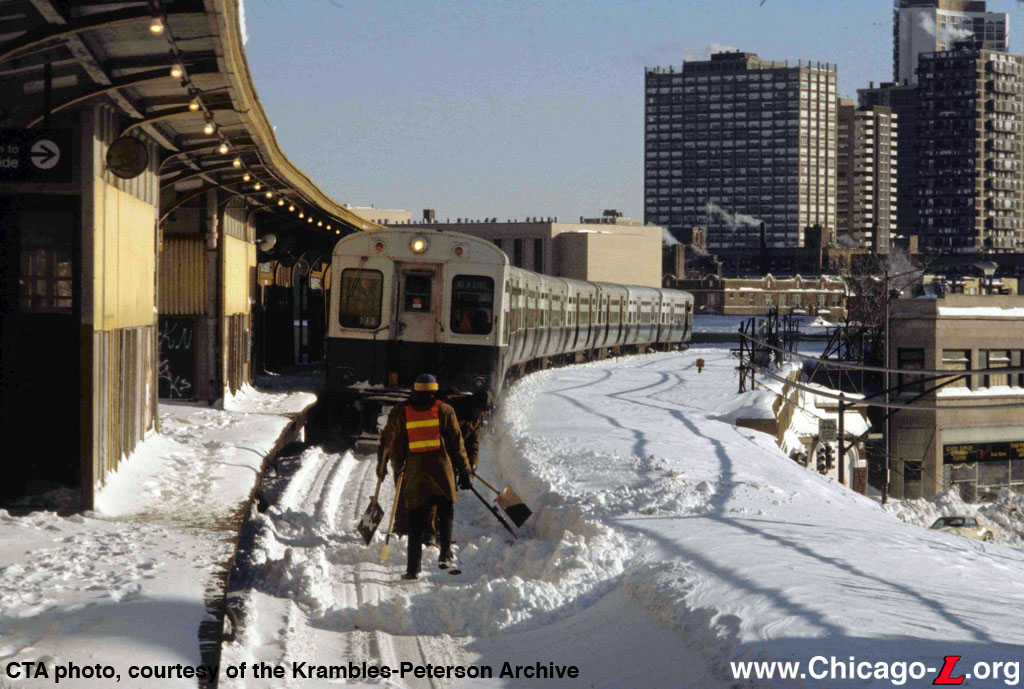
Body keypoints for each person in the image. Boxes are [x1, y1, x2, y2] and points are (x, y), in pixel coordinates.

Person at [382, 373, 472, 579]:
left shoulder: (405, 413)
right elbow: (457, 446)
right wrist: (465, 470)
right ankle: (445, 555)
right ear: (435, 391)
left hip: (416, 475)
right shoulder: (445, 410)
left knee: (415, 520)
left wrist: (398, 469)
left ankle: (413, 569)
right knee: (446, 512)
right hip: (442, 472)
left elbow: (397, 447)